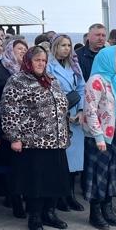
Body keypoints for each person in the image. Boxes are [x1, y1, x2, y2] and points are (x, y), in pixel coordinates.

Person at [0, 45, 71, 230]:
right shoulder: (18, 80)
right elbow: (9, 110)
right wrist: (14, 137)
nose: (41, 64)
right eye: (37, 60)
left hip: (56, 140)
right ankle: (35, 216)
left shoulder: (51, 80)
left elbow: (61, 105)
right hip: (34, 141)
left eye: (44, 61)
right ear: (29, 61)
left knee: (55, 180)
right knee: (36, 183)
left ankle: (50, 213)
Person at [82, 46, 116, 230]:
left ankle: (107, 210)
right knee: (98, 173)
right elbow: (90, 110)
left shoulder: (115, 79)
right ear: (108, 60)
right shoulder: (96, 80)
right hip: (100, 134)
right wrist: (98, 136)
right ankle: (95, 213)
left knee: (112, 171)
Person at [47, 35, 85, 211]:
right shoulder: (49, 65)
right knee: (62, 160)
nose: (67, 48)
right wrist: (64, 112)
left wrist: (81, 110)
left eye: (69, 45)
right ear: (55, 46)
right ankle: (61, 196)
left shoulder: (74, 65)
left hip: (75, 114)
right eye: (63, 45)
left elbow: (82, 88)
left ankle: (70, 195)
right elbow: (49, 91)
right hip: (58, 116)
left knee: (75, 161)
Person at [0, 38, 28, 217]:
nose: (22, 52)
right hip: (7, 122)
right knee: (11, 164)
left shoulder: (27, 69)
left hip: (27, 126)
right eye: (19, 48)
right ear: (10, 50)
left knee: (24, 165)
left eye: (25, 49)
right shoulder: (0, 69)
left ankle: (23, 195)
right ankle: (13, 199)